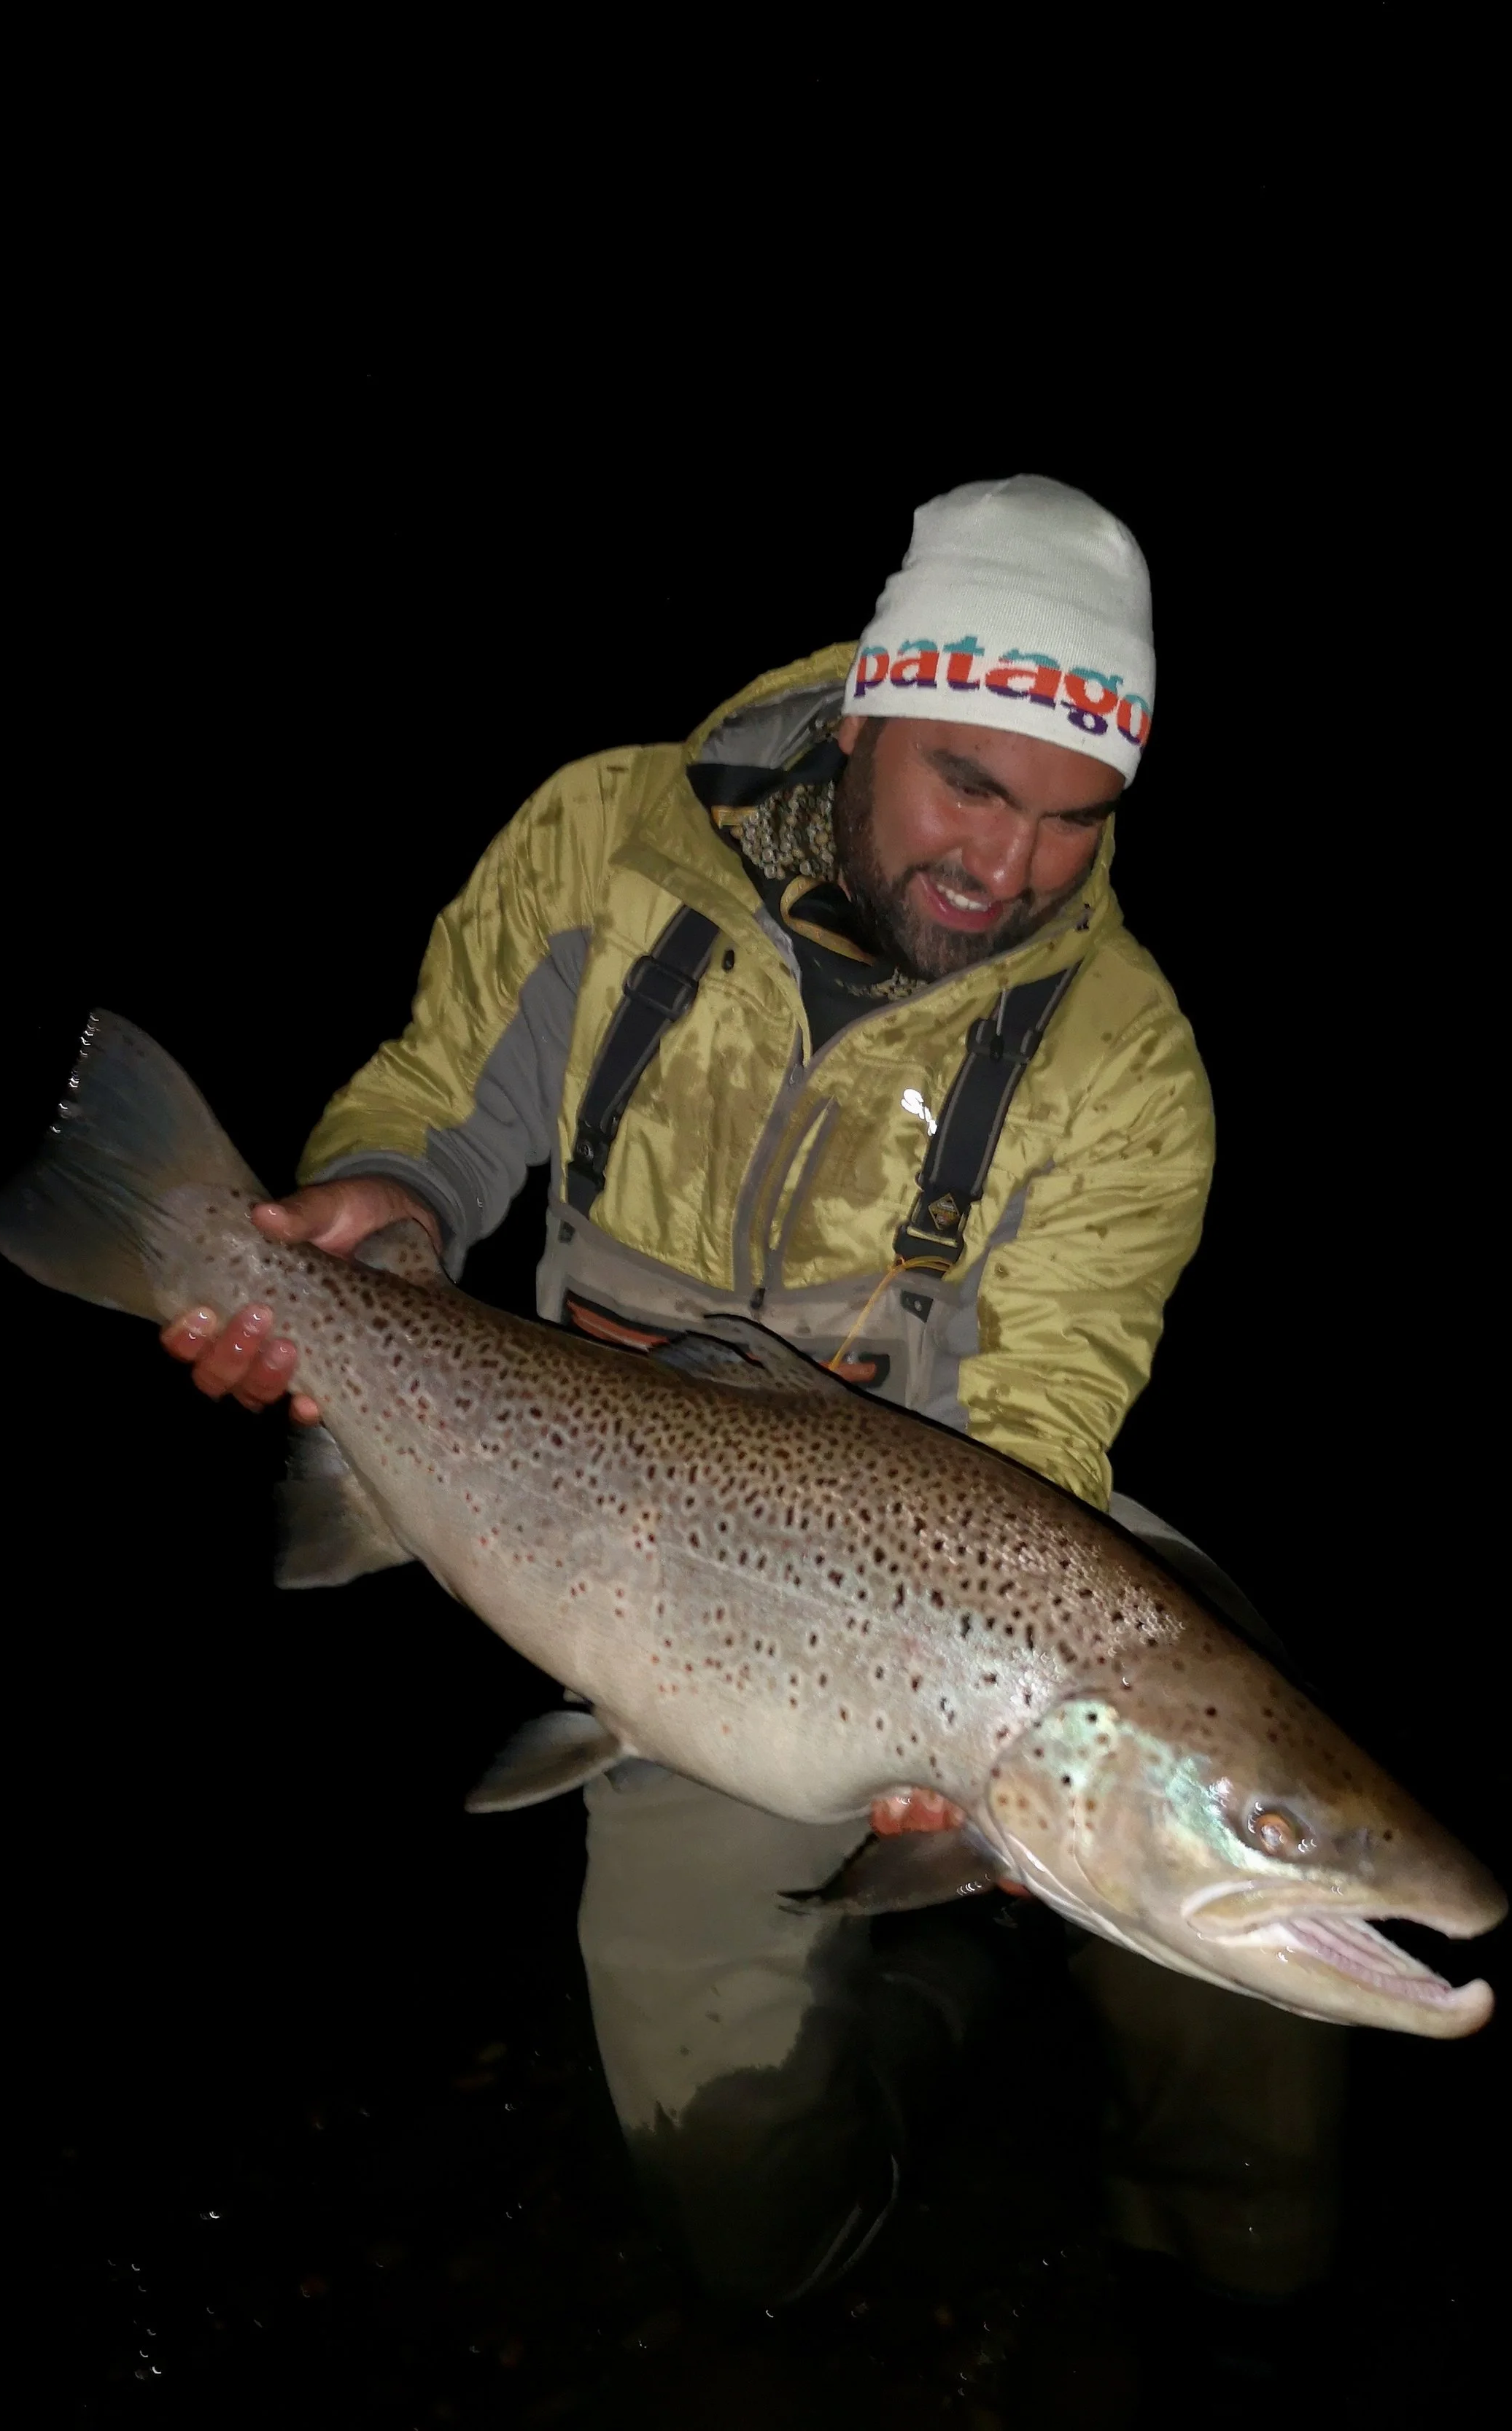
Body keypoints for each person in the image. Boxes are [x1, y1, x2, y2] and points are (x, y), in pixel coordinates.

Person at [161, 476, 1345, 2310]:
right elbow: (439, 1109)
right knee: (732, 2202)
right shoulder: (607, 839)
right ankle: (919, 2059)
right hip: (629, 1521)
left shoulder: (1129, 1064)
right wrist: (373, 1204)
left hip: (954, 1540)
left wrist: (986, 1760)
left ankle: (1233, 2294)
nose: (1008, 866)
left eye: (1070, 820)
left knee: (1234, 1917)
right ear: (866, 702)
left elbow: (1037, 1428)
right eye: (968, 783)